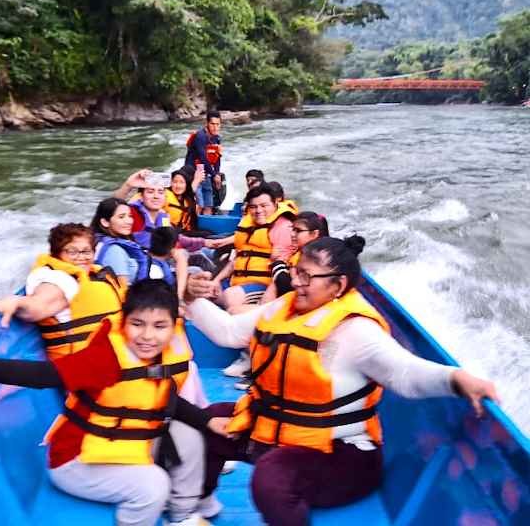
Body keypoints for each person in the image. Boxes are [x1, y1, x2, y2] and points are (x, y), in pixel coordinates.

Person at [183, 236, 499, 526]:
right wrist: (191, 299)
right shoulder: (285, 307)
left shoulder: (356, 330)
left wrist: (457, 379)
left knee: (272, 476)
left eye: (306, 276)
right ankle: (204, 508)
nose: (295, 281)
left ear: (338, 284)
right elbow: (228, 332)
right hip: (278, 435)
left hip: (341, 458)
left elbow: (405, 374)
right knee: (209, 421)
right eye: (296, 272)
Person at [0, 280, 230, 526]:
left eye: (159, 326)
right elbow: (45, 375)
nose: (147, 336)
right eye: (137, 324)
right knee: (153, 485)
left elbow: (164, 401)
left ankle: (181, 515)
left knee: (191, 436)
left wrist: (207, 420)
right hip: (76, 461)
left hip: (125, 445)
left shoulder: (165, 354)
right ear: (124, 321)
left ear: (175, 325)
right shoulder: (105, 358)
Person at [0, 223, 125, 360]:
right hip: (84, 371)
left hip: (117, 355)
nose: (81, 257)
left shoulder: (93, 273)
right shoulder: (60, 280)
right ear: (57, 254)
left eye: (86, 251)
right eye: (72, 251)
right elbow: (38, 306)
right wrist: (16, 302)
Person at [217, 183, 297, 311]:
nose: (258, 211)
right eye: (253, 207)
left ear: (275, 203)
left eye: (264, 206)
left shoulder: (283, 227)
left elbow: (284, 268)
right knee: (205, 292)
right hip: (237, 281)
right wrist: (216, 280)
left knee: (230, 297)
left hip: (263, 284)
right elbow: (237, 258)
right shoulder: (248, 223)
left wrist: (269, 296)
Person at [261, 211, 329, 303]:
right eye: (292, 229)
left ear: (314, 234)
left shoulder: (316, 260)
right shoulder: (300, 253)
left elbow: (287, 288)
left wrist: (277, 263)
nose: (292, 234)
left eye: (298, 231)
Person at [185, 111, 222, 215]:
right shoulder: (200, 137)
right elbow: (203, 157)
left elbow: (217, 157)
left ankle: (207, 227)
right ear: (207, 123)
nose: (215, 127)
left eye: (217, 124)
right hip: (193, 173)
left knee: (209, 204)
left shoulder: (217, 138)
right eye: (212, 124)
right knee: (199, 204)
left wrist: (217, 173)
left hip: (206, 173)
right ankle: (193, 227)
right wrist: (214, 175)